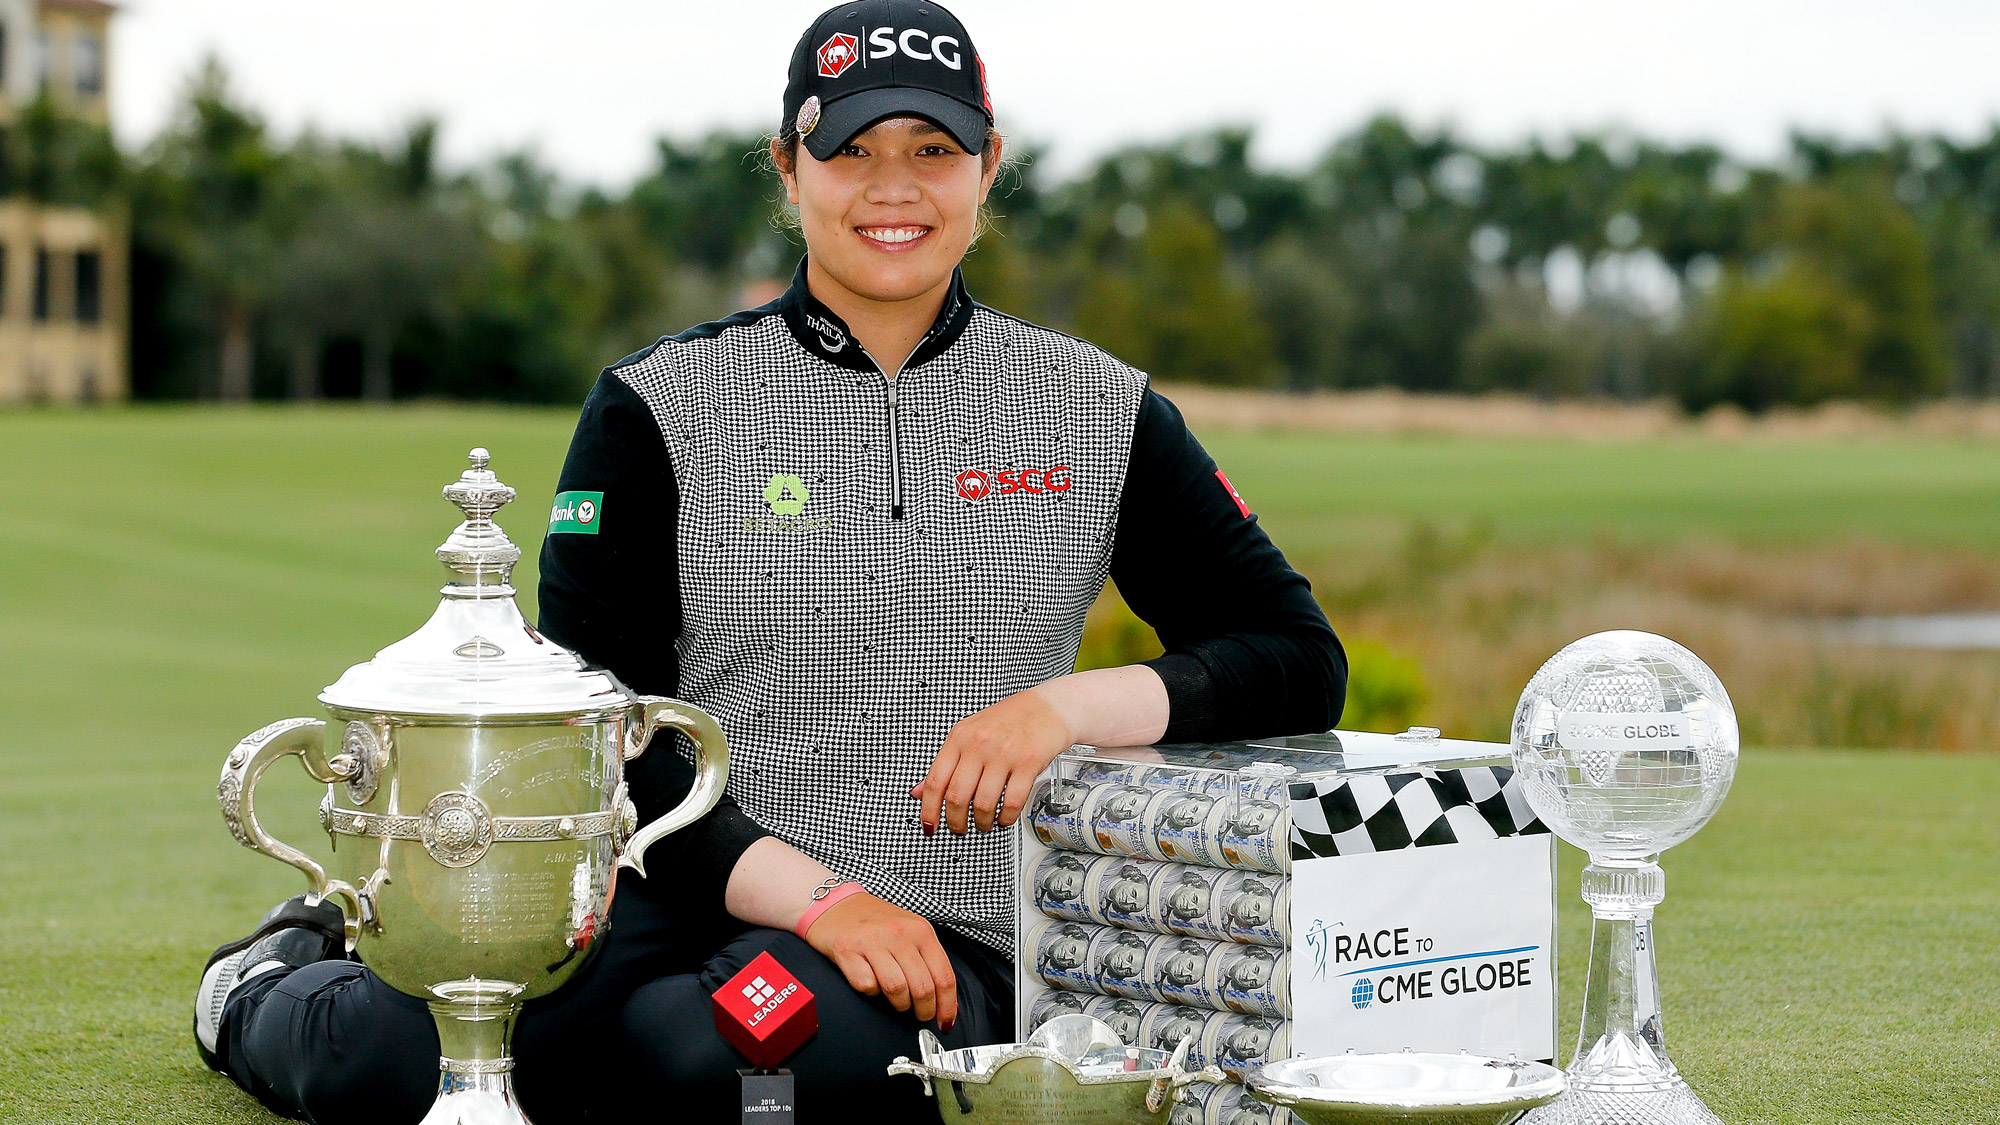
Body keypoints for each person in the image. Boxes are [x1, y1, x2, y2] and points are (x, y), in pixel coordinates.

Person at [191, 1, 1344, 1121]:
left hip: (929, 925)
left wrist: (1057, 707)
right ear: (790, 172)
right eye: (850, 151)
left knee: (724, 1065)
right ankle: (266, 975)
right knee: (397, 1065)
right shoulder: (660, 403)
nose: (893, 187)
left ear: (987, 169)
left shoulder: (1096, 406)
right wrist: (820, 900)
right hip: (672, 872)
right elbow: (608, 733)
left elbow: (1292, 655)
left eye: (932, 149)